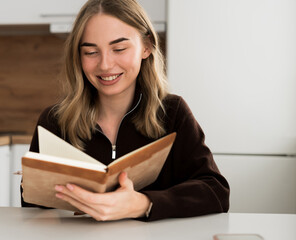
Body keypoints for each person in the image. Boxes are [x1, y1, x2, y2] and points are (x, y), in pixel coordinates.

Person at [21, 0, 229, 221]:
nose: (105, 65)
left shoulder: (172, 112)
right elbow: (32, 208)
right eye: (91, 52)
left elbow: (216, 191)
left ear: (146, 46)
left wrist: (143, 204)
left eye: (119, 49)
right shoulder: (54, 121)